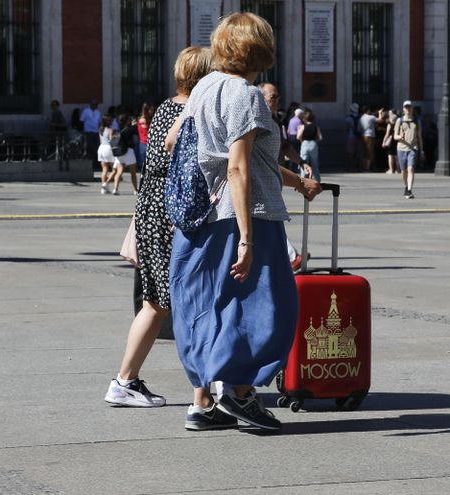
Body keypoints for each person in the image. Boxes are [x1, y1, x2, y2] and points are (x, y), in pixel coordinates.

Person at [168, 13, 316, 432]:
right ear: (260, 50)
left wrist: (295, 181)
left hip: (205, 214)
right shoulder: (245, 94)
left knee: (213, 304)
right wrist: (248, 241)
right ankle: (240, 393)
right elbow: (238, 166)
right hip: (247, 214)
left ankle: (205, 404)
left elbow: (174, 140)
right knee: (270, 307)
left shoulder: (203, 87)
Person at [104, 47, 214, 410]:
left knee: (155, 302)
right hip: (172, 212)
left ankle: (125, 380)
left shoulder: (166, 107)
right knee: (191, 300)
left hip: (151, 208)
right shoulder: (191, 112)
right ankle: (207, 393)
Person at [257, 82, 322, 272]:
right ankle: (290, 256)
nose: (277, 100)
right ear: (261, 98)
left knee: (270, 217)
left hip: (276, 175)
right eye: (273, 97)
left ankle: (286, 256)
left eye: (278, 96)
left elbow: (285, 147)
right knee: (269, 217)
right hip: (264, 175)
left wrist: (302, 163)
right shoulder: (257, 120)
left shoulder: (275, 121)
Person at [393, 100, 423, 199]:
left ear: (412, 108)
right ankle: (406, 186)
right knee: (403, 171)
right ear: (403, 109)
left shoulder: (416, 121)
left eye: (409, 107)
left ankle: (409, 190)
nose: (408, 109)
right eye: (406, 107)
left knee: (411, 168)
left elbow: (419, 136)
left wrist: (421, 150)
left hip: (413, 148)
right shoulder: (399, 120)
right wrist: (400, 137)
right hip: (401, 148)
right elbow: (395, 136)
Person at [112, 114, 139, 195]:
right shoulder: (130, 129)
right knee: (133, 172)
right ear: (127, 120)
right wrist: (134, 125)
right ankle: (135, 190)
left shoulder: (117, 129)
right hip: (129, 151)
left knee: (119, 172)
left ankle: (115, 189)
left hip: (119, 152)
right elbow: (136, 132)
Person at [297, 109, 323, 181]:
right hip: (313, 144)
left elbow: (298, 137)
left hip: (305, 144)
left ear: (304, 118)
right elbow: (320, 137)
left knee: (303, 162)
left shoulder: (302, 126)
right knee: (314, 163)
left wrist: (302, 140)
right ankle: (317, 181)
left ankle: (303, 180)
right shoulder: (315, 126)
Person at [81, 100, 102, 169]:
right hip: (88, 132)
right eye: (94, 104)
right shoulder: (86, 111)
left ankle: (96, 164)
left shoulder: (98, 112)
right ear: (91, 104)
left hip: (96, 132)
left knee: (96, 148)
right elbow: (82, 120)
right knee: (89, 148)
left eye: (96, 104)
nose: (95, 106)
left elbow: (99, 122)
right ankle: (89, 164)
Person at [97, 115, 115, 194]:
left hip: (101, 148)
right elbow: (111, 140)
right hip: (108, 148)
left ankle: (103, 188)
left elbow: (100, 140)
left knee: (104, 169)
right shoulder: (110, 129)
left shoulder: (100, 129)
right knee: (115, 169)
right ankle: (106, 183)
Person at [136, 102, 155, 173]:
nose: (153, 111)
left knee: (145, 165)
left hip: (143, 143)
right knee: (147, 165)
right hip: (146, 143)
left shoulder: (141, 119)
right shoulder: (144, 120)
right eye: (151, 110)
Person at [359, 106, 378, 172]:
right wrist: (380, 113)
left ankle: (364, 167)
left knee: (364, 152)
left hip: (363, 136)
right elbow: (380, 120)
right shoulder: (371, 117)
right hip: (370, 136)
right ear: (368, 110)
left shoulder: (361, 118)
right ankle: (366, 168)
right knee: (369, 152)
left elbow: (359, 129)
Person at [345, 103, 363, 171]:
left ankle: (351, 167)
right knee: (359, 153)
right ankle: (359, 167)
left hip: (351, 137)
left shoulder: (348, 118)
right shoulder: (361, 117)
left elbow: (346, 128)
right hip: (359, 137)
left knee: (350, 153)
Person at [381, 109, 399, 174]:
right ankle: (398, 170)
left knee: (390, 156)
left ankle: (391, 170)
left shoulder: (390, 124)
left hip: (391, 140)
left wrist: (383, 142)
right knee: (397, 156)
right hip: (397, 140)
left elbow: (387, 134)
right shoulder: (399, 122)